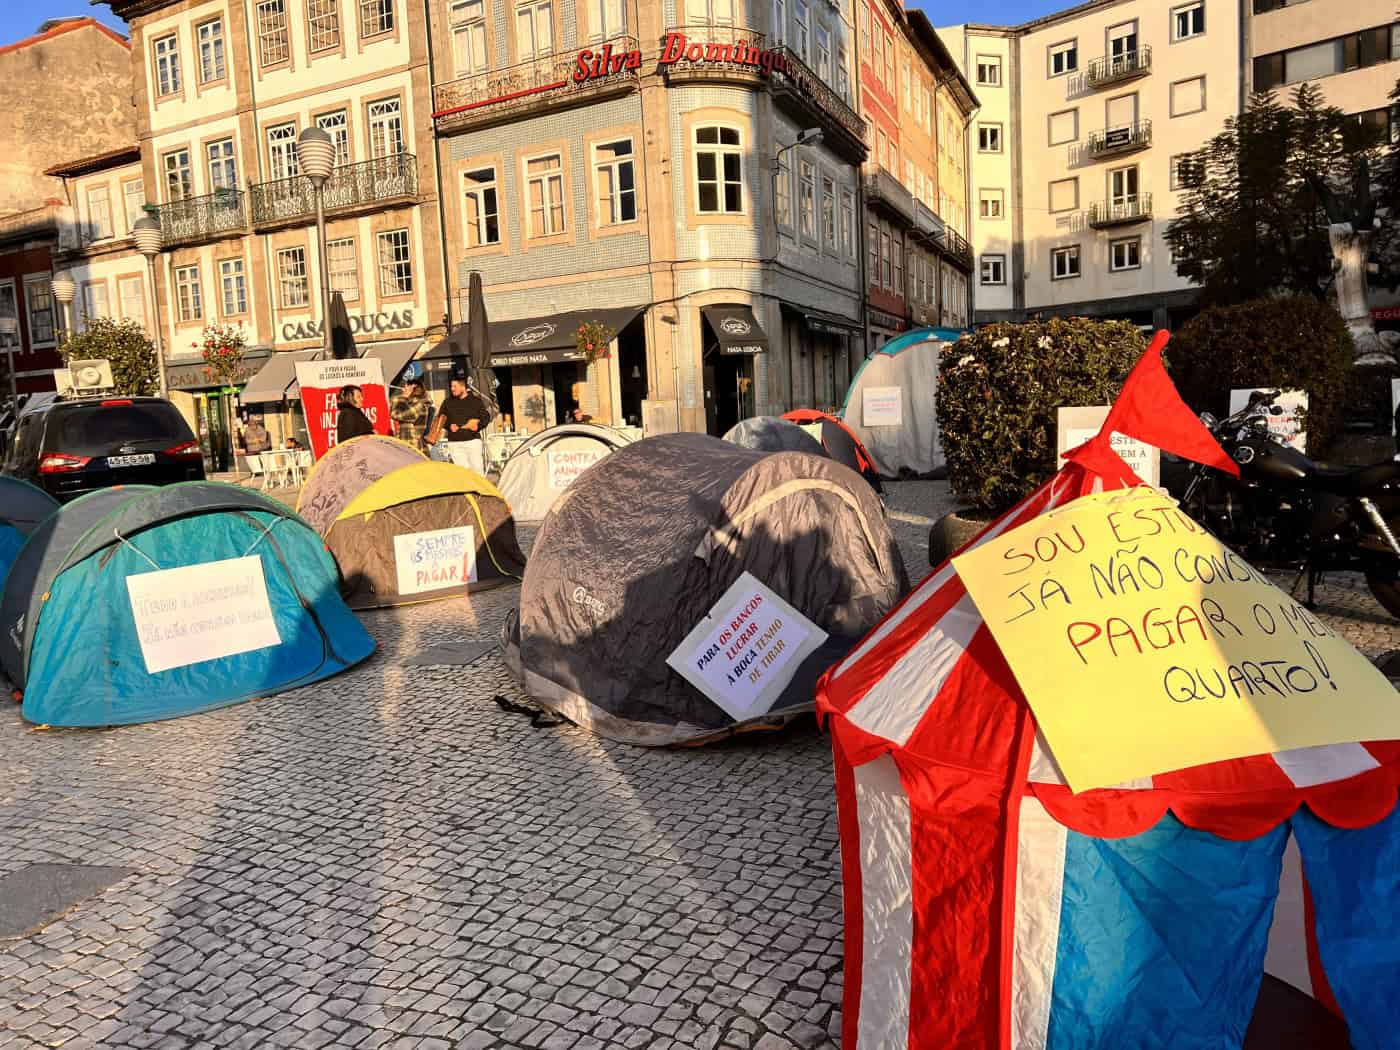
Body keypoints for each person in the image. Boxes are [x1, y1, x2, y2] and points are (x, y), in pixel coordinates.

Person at [427, 376, 490, 474]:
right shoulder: (447, 402)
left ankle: (480, 489)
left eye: (454, 386)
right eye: (451, 386)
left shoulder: (476, 401)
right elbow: (440, 418)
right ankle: (466, 490)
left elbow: (486, 417)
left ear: (463, 387)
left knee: (477, 469)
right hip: (454, 443)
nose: (452, 389)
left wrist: (478, 426)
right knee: (462, 472)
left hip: (473, 441)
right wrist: (449, 425)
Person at [390, 380, 430, 452]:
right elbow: (394, 413)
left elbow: (396, 415)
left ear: (413, 388)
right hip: (406, 443)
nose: (403, 390)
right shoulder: (410, 403)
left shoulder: (420, 404)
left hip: (414, 444)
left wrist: (403, 398)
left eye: (406, 388)